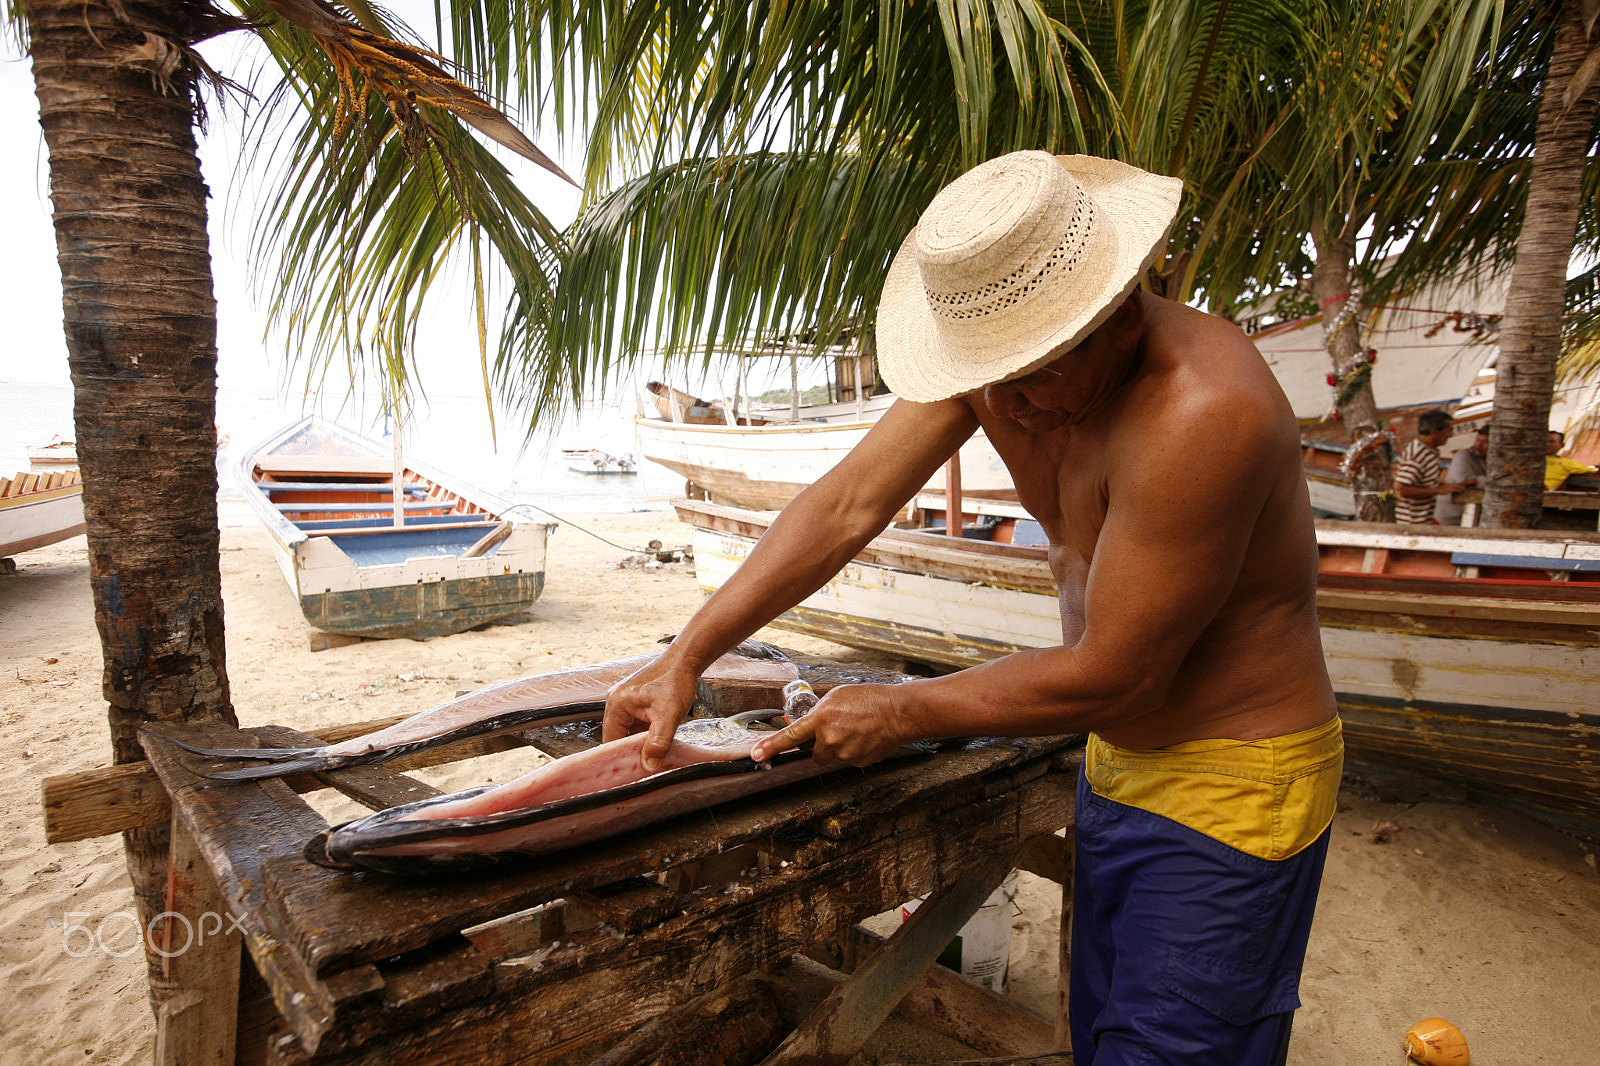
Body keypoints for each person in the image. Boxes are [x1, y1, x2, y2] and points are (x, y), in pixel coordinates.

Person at [604, 151, 1342, 1066]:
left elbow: (1123, 671)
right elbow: (844, 507)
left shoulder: (1202, 411)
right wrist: (689, 654)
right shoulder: (1003, 358)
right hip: (1112, 753)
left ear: (1111, 318)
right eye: (984, 374)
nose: (998, 404)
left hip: (1232, 781)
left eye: (1026, 376)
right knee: (1105, 1038)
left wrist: (908, 710)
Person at [1393, 410, 1468, 524]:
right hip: (1411, 522)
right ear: (1435, 431)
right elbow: (1401, 488)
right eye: (1449, 431)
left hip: (1423, 520)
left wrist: (1455, 487)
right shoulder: (1418, 454)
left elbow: (1423, 483)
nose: (1451, 435)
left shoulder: (1430, 451)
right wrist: (1437, 490)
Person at [1434, 424, 1489, 525]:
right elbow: (1463, 480)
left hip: (1471, 517)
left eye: (1485, 442)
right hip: (1447, 517)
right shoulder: (1463, 456)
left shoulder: (1493, 461)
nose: (1478, 445)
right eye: (1477, 440)